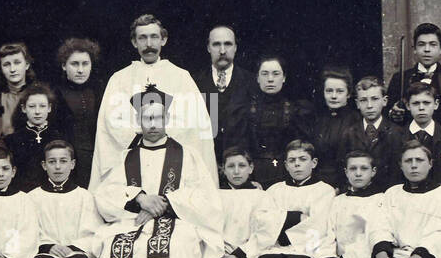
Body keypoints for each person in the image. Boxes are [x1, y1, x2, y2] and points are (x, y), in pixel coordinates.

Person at [92, 85, 223, 258]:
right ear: (139, 122)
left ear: (167, 120)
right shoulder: (126, 157)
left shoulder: (187, 155)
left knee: (177, 246)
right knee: (115, 246)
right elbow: (105, 194)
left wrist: (164, 203)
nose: (152, 124)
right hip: (133, 220)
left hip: (177, 218)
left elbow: (204, 196)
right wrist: (139, 198)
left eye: (158, 118)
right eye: (147, 118)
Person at [92, 14, 217, 191]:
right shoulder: (119, 79)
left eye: (154, 37)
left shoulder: (181, 77)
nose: (149, 44)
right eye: (142, 38)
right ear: (134, 42)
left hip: (172, 160)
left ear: (163, 40)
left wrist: (160, 139)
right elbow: (111, 123)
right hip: (132, 160)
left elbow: (193, 121)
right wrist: (142, 137)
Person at [244, 55, 314, 189]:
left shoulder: (296, 110)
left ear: (284, 78)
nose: (270, 79)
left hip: (288, 176)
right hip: (255, 176)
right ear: (258, 78)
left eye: (276, 74)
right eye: (265, 74)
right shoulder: (246, 110)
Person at [194, 24, 257, 163]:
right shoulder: (194, 83)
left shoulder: (252, 82)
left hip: (240, 167)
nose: (222, 51)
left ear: (235, 47)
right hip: (206, 163)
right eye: (216, 44)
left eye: (228, 44)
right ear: (208, 48)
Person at [385, 22, 441, 136]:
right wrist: (393, 113)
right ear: (414, 49)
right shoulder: (400, 78)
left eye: (433, 44)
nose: (427, 49)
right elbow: (387, 113)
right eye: (421, 44)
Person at [52, 37, 103, 189]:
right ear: (63, 66)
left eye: (85, 64)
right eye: (74, 64)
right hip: (70, 163)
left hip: (97, 160)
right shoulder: (55, 94)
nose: (80, 70)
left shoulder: (99, 91)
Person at [5, 82, 64, 192]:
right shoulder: (12, 140)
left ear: (49, 108)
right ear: (23, 108)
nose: (37, 112)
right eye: (32, 106)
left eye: (42, 106)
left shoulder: (59, 138)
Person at [311, 67, 364, 189]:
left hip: (345, 185)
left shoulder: (357, 120)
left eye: (340, 91)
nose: (334, 96)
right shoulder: (316, 119)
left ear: (349, 94)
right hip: (318, 184)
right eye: (329, 91)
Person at [353, 75, 404, 191]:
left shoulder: (397, 133)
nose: (369, 105)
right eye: (363, 100)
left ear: (384, 101)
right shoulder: (349, 133)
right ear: (357, 104)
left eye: (375, 99)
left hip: (387, 194)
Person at [401, 82, 441, 186]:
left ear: (436, 104)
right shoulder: (398, 136)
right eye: (416, 103)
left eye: (426, 103)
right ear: (408, 105)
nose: (421, 108)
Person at [0, 42, 37, 139]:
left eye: (17, 63)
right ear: (1, 69)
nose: (12, 69)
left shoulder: (38, 95)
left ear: (27, 65)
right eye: (6, 64)